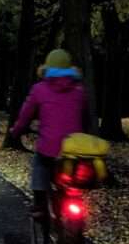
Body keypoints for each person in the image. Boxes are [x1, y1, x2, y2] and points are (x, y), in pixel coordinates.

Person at [10, 49, 89, 217]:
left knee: (39, 165)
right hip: (75, 149)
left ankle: (39, 206)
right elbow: (85, 116)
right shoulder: (79, 90)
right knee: (71, 183)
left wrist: (16, 131)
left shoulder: (39, 89)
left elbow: (25, 115)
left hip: (49, 147)